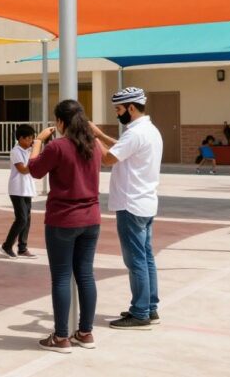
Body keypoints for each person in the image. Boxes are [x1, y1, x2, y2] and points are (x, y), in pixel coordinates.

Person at [28, 100, 102, 353]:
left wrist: (38, 141)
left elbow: (34, 170)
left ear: (60, 122)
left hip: (63, 219)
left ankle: (61, 337)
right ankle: (86, 332)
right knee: (85, 275)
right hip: (91, 219)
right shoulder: (94, 145)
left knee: (61, 277)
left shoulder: (57, 147)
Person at [93, 87, 163, 330]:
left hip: (131, 204)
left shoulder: (134, 134)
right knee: (146, 258)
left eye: (119, 110)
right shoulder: (148, 130)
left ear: (131, 108)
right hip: (145, 202)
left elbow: (108, 158)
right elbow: (121, 148)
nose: (118, 114)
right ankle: (149, 306)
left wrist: (93, 139)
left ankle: (140, 312)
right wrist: (101, 135)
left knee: (135, 261)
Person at [1, 124, 37, 259]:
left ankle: (22, 248)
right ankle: (7, 246)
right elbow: (23, 169)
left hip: (27, 189)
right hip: (17, 189)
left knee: (27, 219)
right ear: (21, 138)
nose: (30, 141)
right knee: (21, 219)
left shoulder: (28, 150)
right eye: (28, 139)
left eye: (32, 138)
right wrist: (34, 160)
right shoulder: (16, 151)